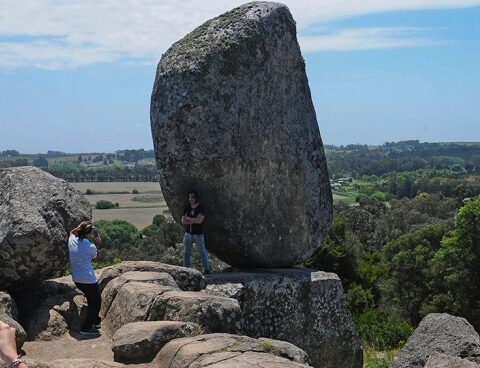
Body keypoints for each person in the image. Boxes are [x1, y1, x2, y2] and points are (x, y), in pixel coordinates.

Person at [68, 221, 102, 336]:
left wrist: (80, 226)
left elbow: (71, 232)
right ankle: (86, 328)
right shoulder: (90, 245)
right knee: (96, 302)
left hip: (77, 279)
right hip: (88, 279)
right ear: (89, 233)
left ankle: (96, 321)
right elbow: (95, 256)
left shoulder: (72, 241)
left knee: (91, 299)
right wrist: (97, 238)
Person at [181, 190, 211, 275]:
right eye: (189, 197)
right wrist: (194, 219)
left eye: (192, 197)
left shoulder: (201, 207)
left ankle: (207, 270)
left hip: (198, 234)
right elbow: (183, 221)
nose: (191, 199)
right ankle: (185, 271)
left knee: (202, 252)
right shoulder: (187, 207)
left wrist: (189, 218)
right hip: (188, 234)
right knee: (186, 253)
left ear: (196, 198)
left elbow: (200, 221)